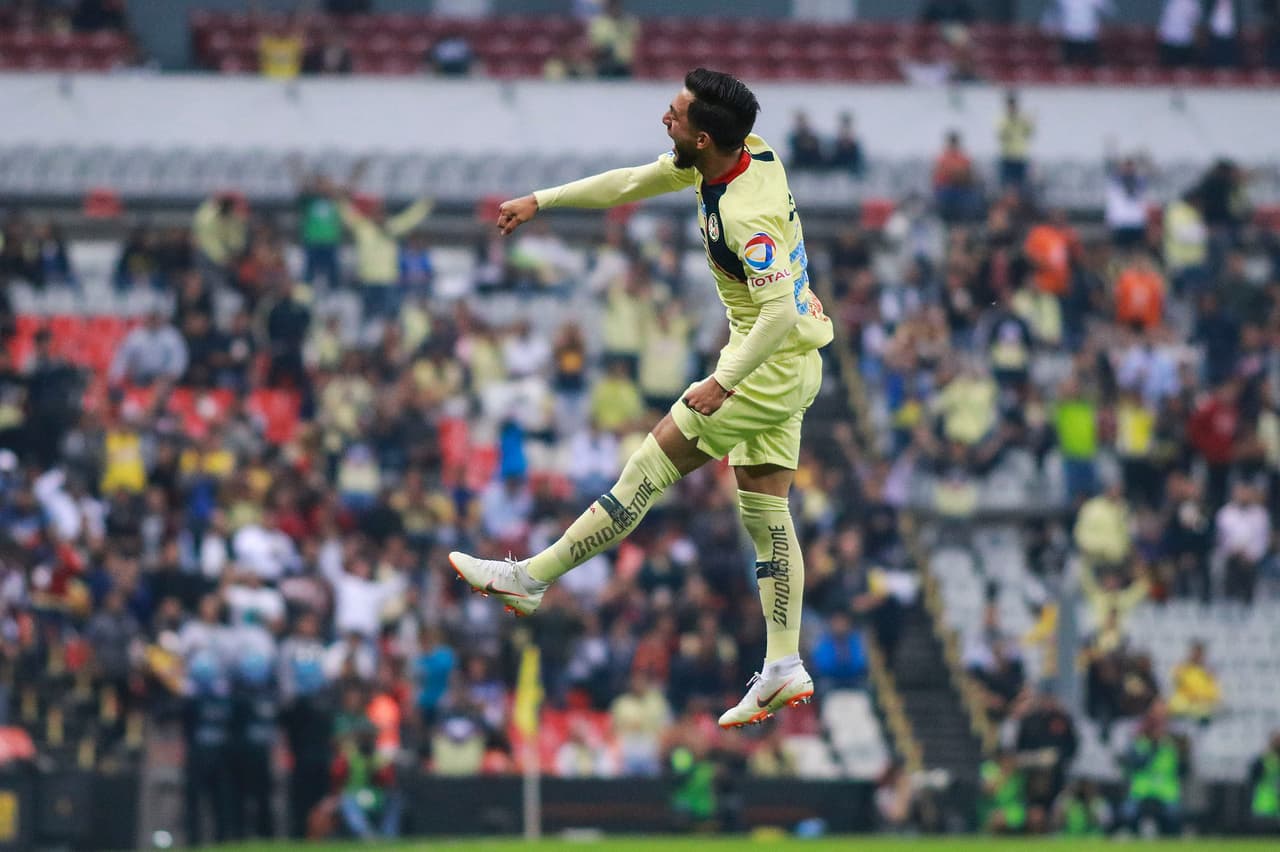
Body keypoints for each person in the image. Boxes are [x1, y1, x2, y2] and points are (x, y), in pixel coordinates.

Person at [450, 68, 834, 730]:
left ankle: (531, 578)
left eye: (677, 115)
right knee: (767, 514)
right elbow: (631, 182)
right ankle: (782, 666)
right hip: (788, 363)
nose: (665, 118)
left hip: (764, 367)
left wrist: (725, 379)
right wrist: (543, 199)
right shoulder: (745, 155)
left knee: (650, 467)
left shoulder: (746, 213)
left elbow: (773, 312)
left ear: (705, 137)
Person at [1249, 732, 1280, 832]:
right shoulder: (1263, 759)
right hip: (1266, 801)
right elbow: (1253, 776)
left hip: (1270, 801)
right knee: (1264, 833)